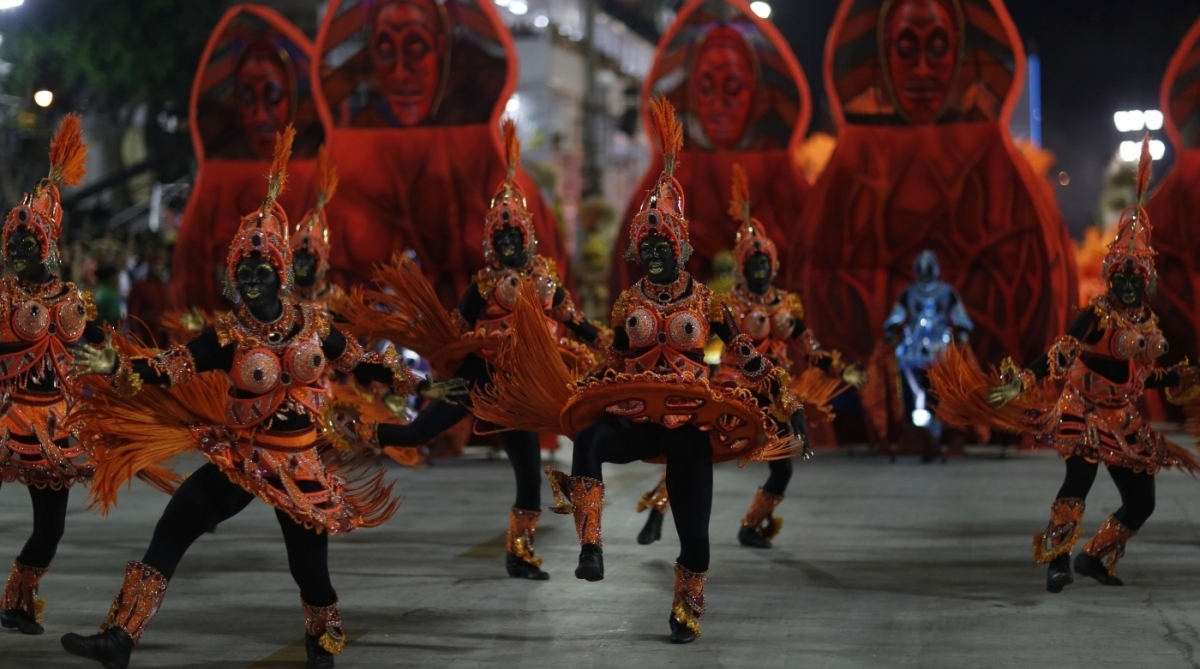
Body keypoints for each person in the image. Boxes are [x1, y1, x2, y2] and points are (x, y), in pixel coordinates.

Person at [59, 126, 462, 669]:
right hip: (241, 455)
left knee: (309, 571)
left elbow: (367, 362)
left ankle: (324, 643)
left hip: (298, 462)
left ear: (280, 273)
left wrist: (424, 385)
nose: (251, 278)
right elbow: (168, 367)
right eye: (242, 271)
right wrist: (117, 364)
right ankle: (119, 638)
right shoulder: (226, 336)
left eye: (260, 269)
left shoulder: (316, 326)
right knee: (175, 524)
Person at [471, 99, 808, 643]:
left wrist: (788, 406)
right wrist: (577, 385)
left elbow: (749, 358)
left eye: (662, 244)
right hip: (634, 416)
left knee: (693, 533)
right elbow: (614, 361)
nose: (653, 252)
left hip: (689, 425)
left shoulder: (709, 305)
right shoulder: (629, 301)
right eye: (646, 244)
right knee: (591, 438)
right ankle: (592, 545)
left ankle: (687, 602)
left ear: (679, 246)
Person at [930, 139, 1200, 594]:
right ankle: (1057, 559)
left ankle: (1093, 556)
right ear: (1111, 277)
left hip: (1123, 418)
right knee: (1080, 476)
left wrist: (1183, 376)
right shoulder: (1097, 314)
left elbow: (1140, 377)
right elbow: (1063, 349)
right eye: (1122, 277)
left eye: (1137, 277)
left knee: (1141, 500)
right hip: (1084, 409)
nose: (1130, 285)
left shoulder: (1146, 322)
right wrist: (1026, 379)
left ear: (1147, 280)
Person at [339, 119, 604, 580]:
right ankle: (349, 433)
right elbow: (454, 336)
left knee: (534, 475)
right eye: (500, 239)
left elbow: (577, 324)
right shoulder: (481, 288)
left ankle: (521, 553)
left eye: (514, 236)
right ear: (490, 243)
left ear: (528, 237)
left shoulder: (545, 283)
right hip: (477, 383)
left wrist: (612, 343)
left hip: (523, 395)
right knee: (416, 434)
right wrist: (449, 363)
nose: (507, 244)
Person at [635, 164, 865, 549]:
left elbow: (808, 344)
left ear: (773, 265)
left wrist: (836, 367)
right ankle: (659, 511)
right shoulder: (727, 304)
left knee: (783, 468)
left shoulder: (787, 303)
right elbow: (708, 342)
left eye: (764, 263)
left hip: (773, 392)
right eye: (751, 263)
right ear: (742, 267)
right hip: (731, 385)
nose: (759, 268)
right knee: (695, 452)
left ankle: (751, 524)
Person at [0, 115, 124, 636]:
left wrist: (114, 363)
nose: (18, 249)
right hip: (7, 418)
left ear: (48, 244)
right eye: (13, 240)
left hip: (55, 428)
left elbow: (107, 350)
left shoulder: (74, 300)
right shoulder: (2, 298)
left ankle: (17, 602)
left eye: (29, 241)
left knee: (50, 528)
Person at [883, 249, 973, 441]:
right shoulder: (909, 292)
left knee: (941, 383)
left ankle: (940, 420)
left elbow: (960, 316)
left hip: (940, 343)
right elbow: (897, 314)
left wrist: (963, 331)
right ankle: (918, 418)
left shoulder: (947, 292)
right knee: (912, 379)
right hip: (913, 345)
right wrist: (891, 328)